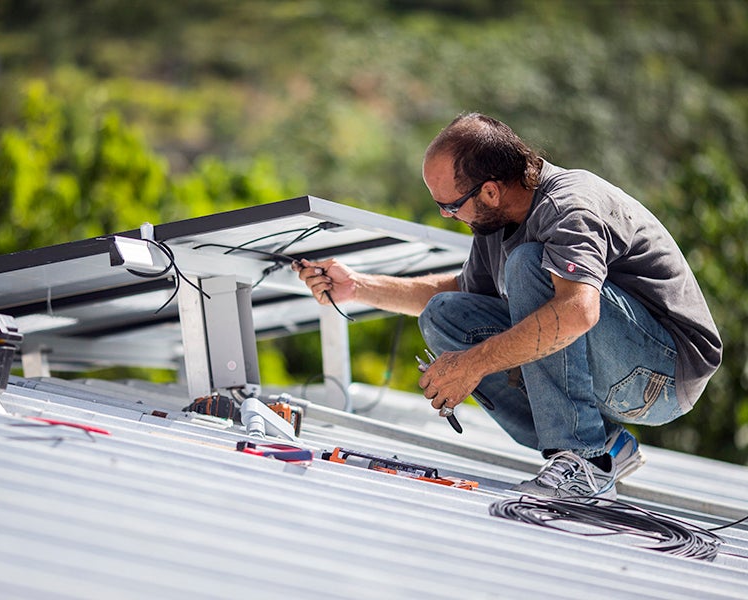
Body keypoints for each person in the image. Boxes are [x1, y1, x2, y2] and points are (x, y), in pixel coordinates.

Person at [292, 112, 722, 500]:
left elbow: (579, 311)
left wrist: (473, 365)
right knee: (446, 315)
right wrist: (359, 288)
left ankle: (585, 459)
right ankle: (607, 447)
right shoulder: (495, 223)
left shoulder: (566, 207)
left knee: (530, 265)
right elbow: (465, 293)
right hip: (612, 367)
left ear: (492, 191)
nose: (445, 215)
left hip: (662, 375)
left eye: (449, 205)